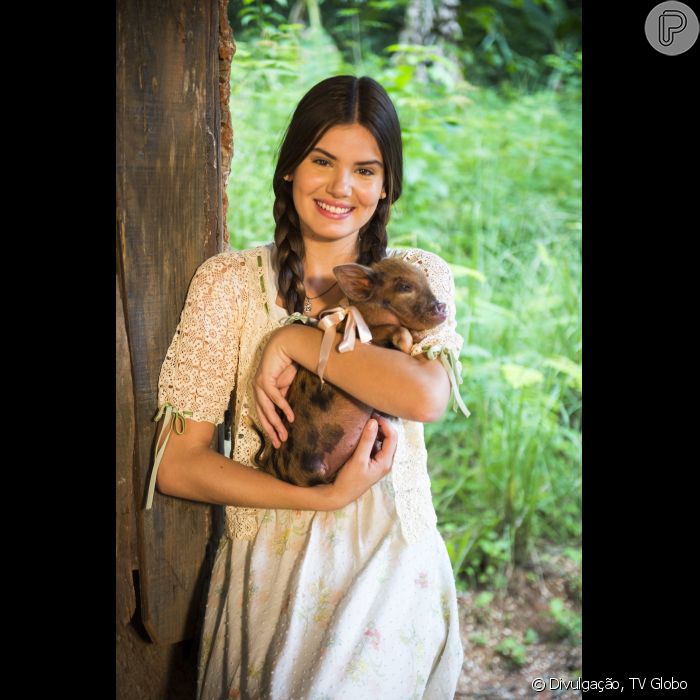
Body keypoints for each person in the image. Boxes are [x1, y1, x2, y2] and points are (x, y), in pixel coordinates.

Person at [150, 74, 469, 699]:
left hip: (389, 560)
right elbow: (178, 467)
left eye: (366, 170)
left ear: (387, 186)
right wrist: (321, 500)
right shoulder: (229, 285)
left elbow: (426, 397)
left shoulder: (416, 277)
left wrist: (294, 341)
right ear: (290, 167)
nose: (341, 188)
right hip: (270, 564)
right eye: (322, 161)